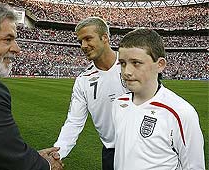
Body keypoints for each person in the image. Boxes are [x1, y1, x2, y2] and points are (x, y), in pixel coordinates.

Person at [0, 1, 63, 170]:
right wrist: (47, 165)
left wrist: (30, 156)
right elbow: (16, 161)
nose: (17, 49)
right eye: (8, 39)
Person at [112, 28, 205, 169]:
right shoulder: (118, 104)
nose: (127, 72)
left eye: (136, 63)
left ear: (160, 65)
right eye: (123, 63)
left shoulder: (181, 113)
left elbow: (194, 167)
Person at [53, 17, 129, 170]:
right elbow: (74, 121)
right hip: (111, 153)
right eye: (80, 41)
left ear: (105, 38)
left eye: (88, 39)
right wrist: (57, 152)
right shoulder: (83, 81)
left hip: (144, 148)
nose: (83, 45)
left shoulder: (131, 66)